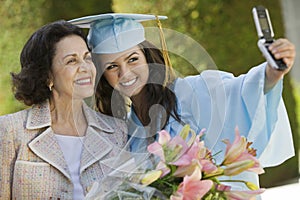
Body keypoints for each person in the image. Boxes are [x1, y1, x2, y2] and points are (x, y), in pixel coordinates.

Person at [69, 13, 296, 196]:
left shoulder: (192, 92)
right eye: (111, 66)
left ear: (148, 57)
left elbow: (241, 91)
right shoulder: (128, 132)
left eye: (133, 59)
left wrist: (273, 71)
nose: (125, 72)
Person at [0, 20, 127, 199]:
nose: (85, 68)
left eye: (87, 58)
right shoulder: (10, 130)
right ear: (47, 74)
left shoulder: (117, 132)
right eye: (71, 61)